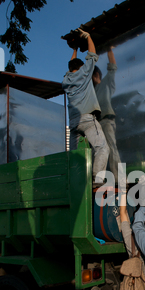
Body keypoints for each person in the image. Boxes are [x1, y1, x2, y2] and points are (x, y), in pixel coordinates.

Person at [62, 28, 109, 185]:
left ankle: (74, 181)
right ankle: (97, 178)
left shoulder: (66, 80)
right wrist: (87, 37)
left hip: (74, 123)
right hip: (87, 119)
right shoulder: (84, 73)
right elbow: (92, 55)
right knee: (102, 148)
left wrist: (74, 49)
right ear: (81, 67)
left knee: (75, 156)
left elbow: (70, 66)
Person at [93, 47, 122, 183]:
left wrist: (109, 48)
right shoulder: (92, 92)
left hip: (106, 120)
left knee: (111, 147)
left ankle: (118, 178)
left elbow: (112, 67)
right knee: (100, 150)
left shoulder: (105, 84)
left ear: (96, 75)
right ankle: (99, 178)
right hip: (97, 123)